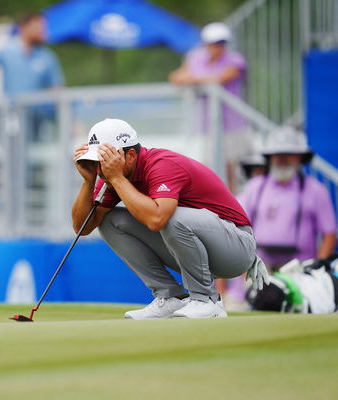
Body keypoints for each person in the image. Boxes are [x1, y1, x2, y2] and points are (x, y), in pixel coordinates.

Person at [72, 118, 269, 319]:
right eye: (97, 162)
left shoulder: (161, 165)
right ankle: (170, 297)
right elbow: (83, 228)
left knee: (170, 216)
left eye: (105, 161)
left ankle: (207, 300)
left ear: (130, 155)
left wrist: (116, 179)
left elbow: (157, 219)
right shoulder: (113, 176)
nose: (100, 169)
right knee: (110, 221)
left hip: (235, 248)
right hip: (197, 247)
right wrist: (88, 182)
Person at [239, 127, 337, 271]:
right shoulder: (254, 187)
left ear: (299, 157)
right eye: (278, 154)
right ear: (270, 157)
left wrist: (314, 269)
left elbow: (329, 234)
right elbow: (239, 228)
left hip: (299, 271)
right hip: (259, 269)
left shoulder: (316, 190)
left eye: (289, 154)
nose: (283, 159)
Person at [169, 22, 249, 193]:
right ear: (206, 43)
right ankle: (218, 198)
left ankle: (232, 199)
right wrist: (201, 78)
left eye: (221, 43)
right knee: (209, 164)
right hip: (207, 124)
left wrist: (193, 77)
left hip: (232, 124)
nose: (217, 47)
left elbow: (222, 78)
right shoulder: (195, 57)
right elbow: (175, 78)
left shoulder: (235, 59)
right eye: (214, 43)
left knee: (231, 165)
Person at [0, 12, 64, 140]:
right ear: (24, 27)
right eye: (38, 27)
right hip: (9, 116)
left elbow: (58, 91)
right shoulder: (8, 51)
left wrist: (68, 120)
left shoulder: (47, 57)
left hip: (35, 119)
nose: (43, 31)